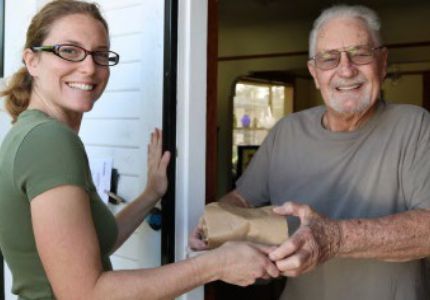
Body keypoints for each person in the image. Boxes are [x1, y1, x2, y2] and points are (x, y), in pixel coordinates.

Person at [0, 1, 280, 299]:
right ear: (32, 61)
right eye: (69, 50)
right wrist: (217, 264)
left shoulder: (28, 134)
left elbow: (93, 245)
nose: (89, 67)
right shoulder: (49, 140)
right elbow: (85, 294)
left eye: (99, 54)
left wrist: (151, 193)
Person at [191, 4, 430, 300]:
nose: (346, 69)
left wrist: (334, 238)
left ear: (382, 62)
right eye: (329, 59)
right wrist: (213, 224)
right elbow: (242, 199)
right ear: (314, 73)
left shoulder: (416, 126)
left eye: (361, 53)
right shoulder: (286, 132)